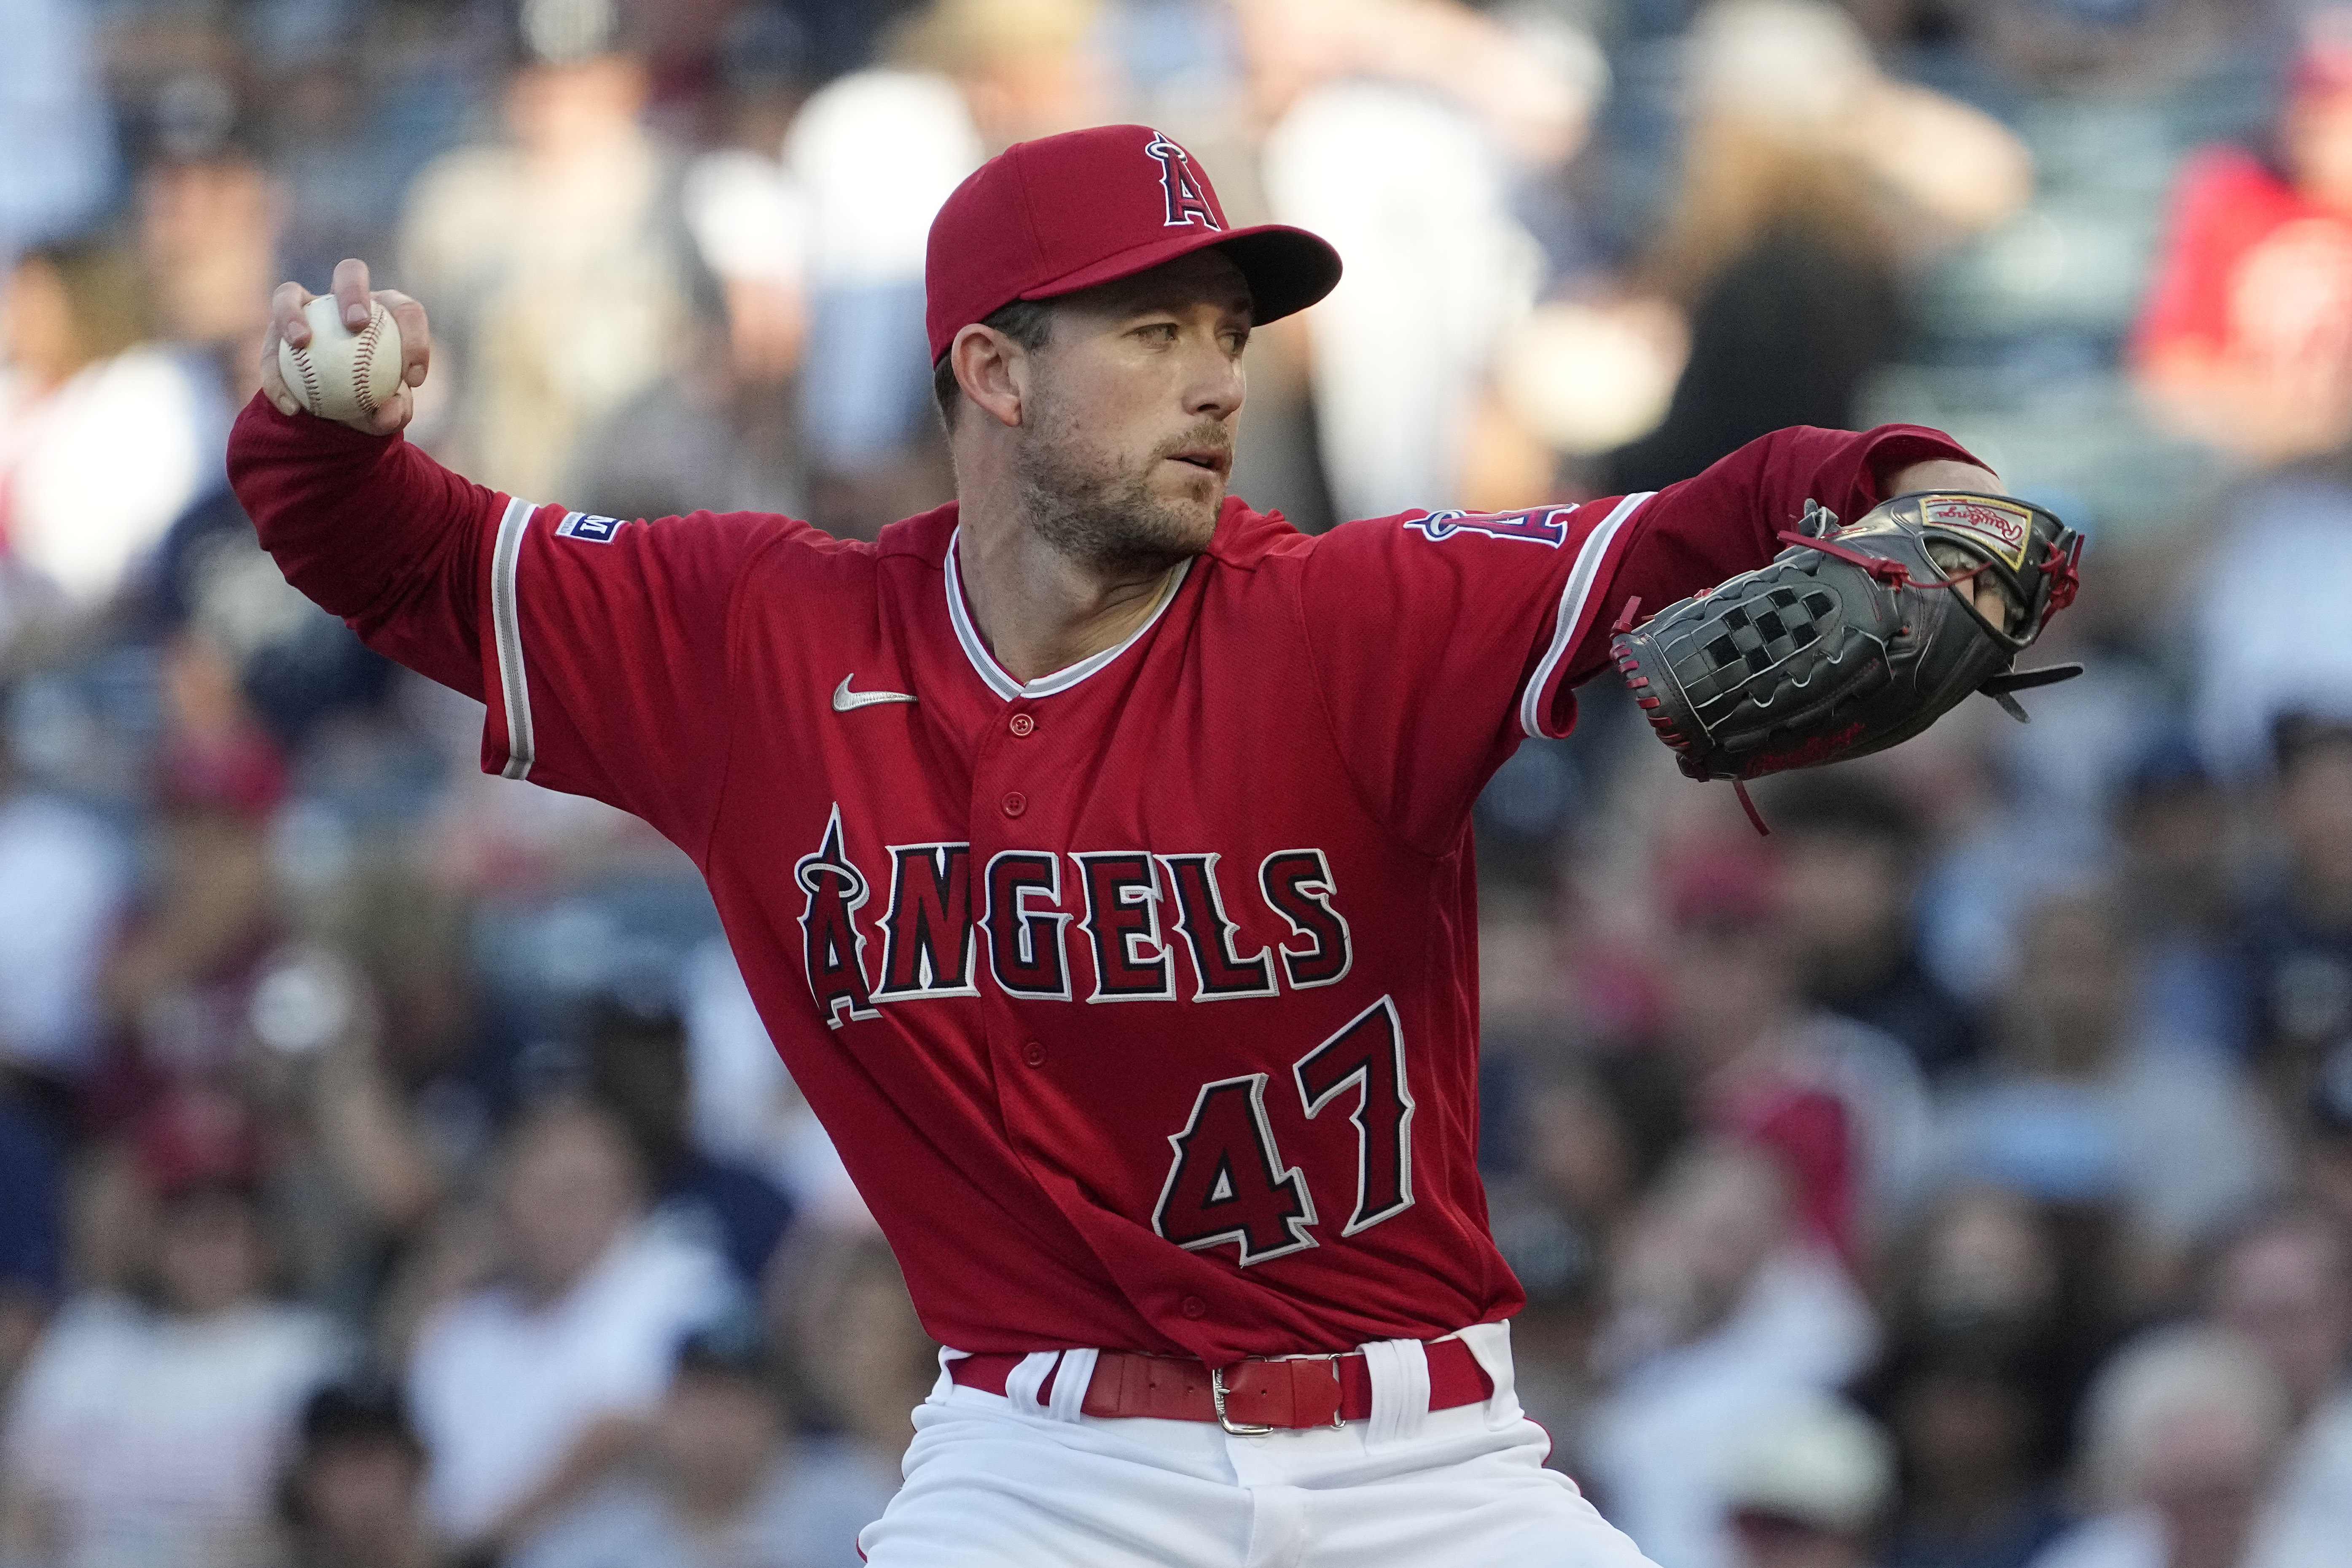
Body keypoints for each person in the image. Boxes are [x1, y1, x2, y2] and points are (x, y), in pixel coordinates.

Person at [232, 121, 2013, 1565]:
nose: (1218, 382)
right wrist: (323, 422)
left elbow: (1733, 502)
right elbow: (395, 552)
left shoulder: (1356, 620)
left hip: (1431, 1469)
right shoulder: (762, 644)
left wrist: (1925, 489)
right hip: (1041, 1473)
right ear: (994, 371)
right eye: (1155, 332)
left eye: (1231, 334)